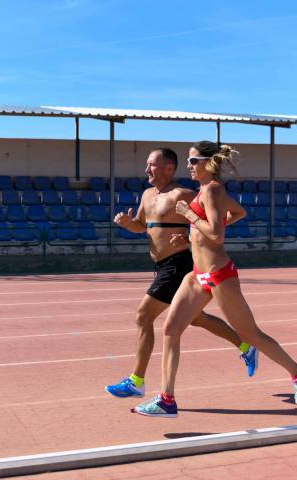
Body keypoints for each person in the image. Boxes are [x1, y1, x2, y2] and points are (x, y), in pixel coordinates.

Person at [133, 141, 297, 418]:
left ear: (208, 162)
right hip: (197, 274)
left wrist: (189, 216)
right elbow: (238, 212)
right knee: (171, 329)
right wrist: (191, 237)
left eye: (193, 161)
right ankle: (166, 400)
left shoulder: (213, 190)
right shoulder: (205, 190)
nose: (188, 166)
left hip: (219, 275)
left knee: (250, 335)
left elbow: (216, 235)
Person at [105, 147, 258, 399]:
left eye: (152, 165)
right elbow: (141, 226)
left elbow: (222, 216)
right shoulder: (146, 195)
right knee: (197, 318)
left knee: (143, 316)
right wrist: (127, 223)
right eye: (147, 164)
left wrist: (192, 236)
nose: (146, 169)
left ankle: (136, 381)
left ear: (168, 168)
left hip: (179, 264)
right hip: (161, 266)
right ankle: (245, 346)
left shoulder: (185, 194)